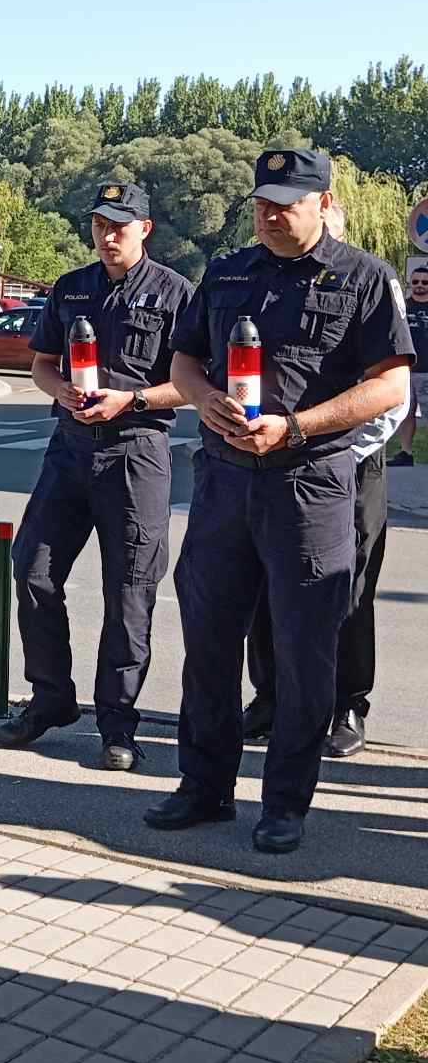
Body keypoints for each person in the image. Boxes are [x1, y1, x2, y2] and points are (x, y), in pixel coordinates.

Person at [149, 148, 414, 854]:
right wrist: (204, 401)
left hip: (311, 485)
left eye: (286, 204)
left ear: (323, 203)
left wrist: (296, 426)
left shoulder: (364, 277)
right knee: (208, 642)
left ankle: (285, 805)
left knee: (303, 652)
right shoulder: (229, 270)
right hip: (224, 483)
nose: (269, 215)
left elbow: (391, 387)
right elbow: (184, 362)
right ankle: (204, 788)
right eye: (262, 202)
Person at [0, 182, 194, 770]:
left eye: (120, 226)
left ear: (145, 229)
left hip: (137, 451)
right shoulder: (71, 287)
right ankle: (51, 699)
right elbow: (41, 364)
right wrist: (59, 390)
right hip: (70, 450)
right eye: (100, 225)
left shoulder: (177, 294)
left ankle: (118, 725)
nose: (108, 237)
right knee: (31, 569)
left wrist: (130, 401)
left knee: (130, 590)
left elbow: (192, 385)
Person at [241, 203, 407, 760]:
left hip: (352, 464)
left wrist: (327, 444)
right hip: (278, 461)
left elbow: (389, 397)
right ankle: (270, 696)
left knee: (349, 587)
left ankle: (348, 705)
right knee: (267, 582)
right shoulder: (265, 287)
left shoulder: (369, 286)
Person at [389, 262, 428, 467]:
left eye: (424, 282)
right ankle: (406, 453)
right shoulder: (402, 306)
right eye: (415, 282)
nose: (420, 285)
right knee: (406, 412)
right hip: (406, 370)